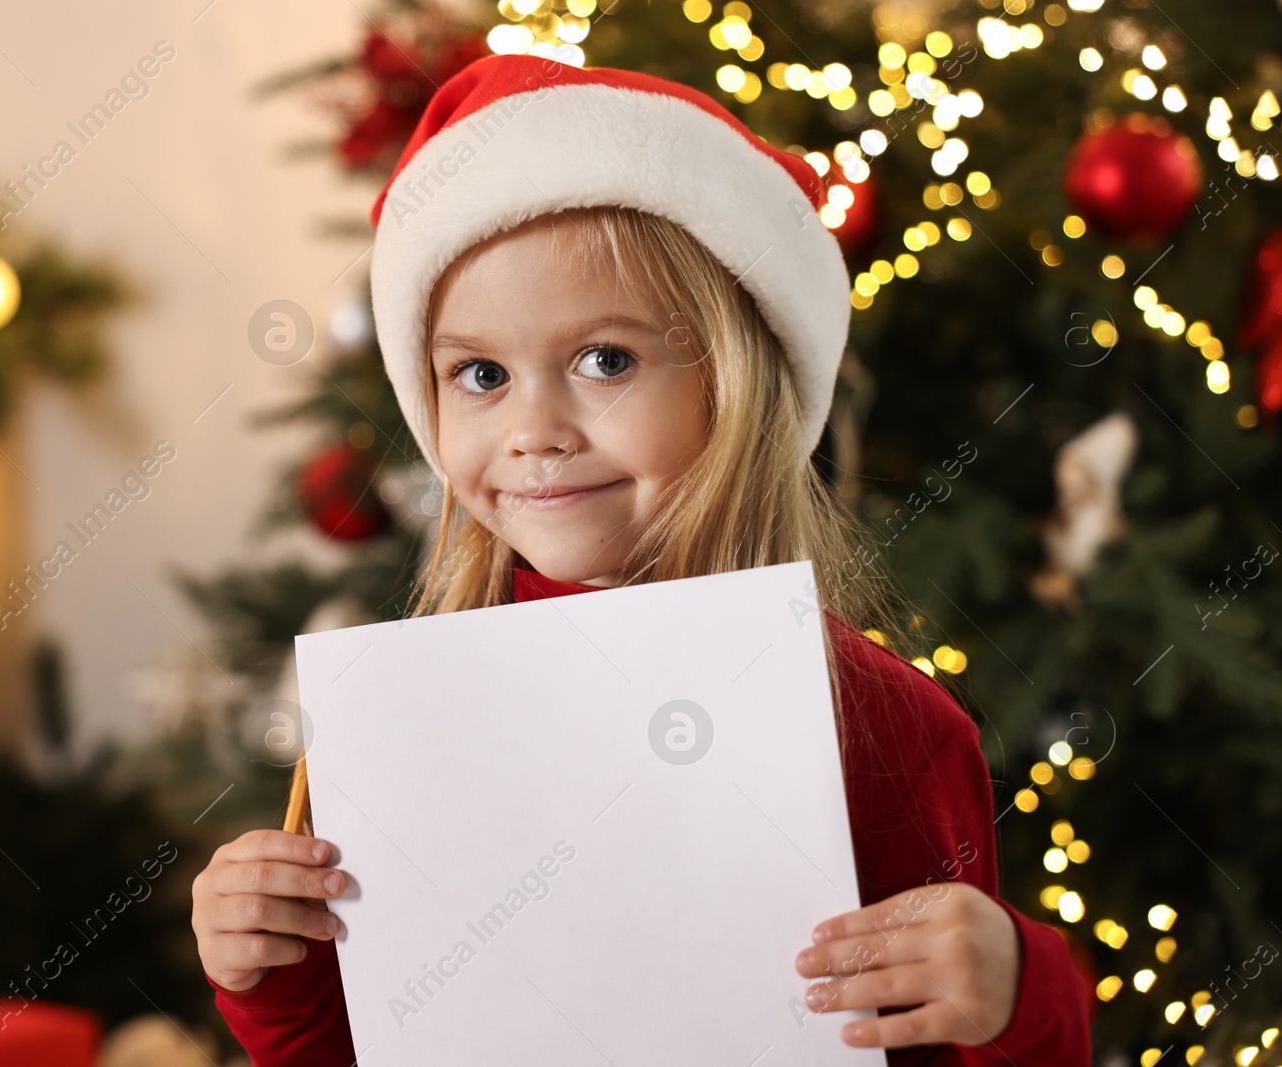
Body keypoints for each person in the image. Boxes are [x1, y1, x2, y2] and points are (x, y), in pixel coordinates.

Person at [190, 53, 1092, 1066]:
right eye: (479, 373)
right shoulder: (408, 733)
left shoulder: (887, 728)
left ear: (741, 384)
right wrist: (272, 972)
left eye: (604, 359)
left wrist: (1017, 989)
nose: (532, 429)